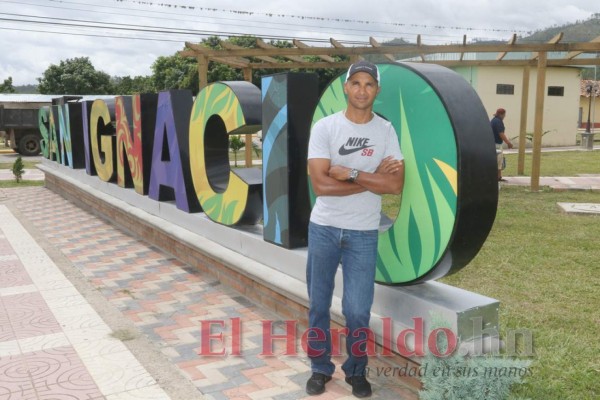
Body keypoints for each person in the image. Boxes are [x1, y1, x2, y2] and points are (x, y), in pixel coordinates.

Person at [305, 60, 405, 398]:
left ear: (377, 90)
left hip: (363, 233)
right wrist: (372, 177)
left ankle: (356, 370)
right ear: (346, 87)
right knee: (319, 304)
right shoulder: (326, 128)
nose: (362, 90)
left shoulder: (385, 131)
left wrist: (348, 172)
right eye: (356, 83)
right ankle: (320, 368)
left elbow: (395, 186)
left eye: (369, 84)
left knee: (358, 310)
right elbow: (320, 185)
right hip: (324, 229)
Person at [490, 108, 513, 182]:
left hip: (493, 143)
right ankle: (498, 177)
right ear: (501, 114)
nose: (505, 116)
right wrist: (508, 142)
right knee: (498, 161)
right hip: (497, 144)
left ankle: (498, 177)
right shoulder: (498, 122)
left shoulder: (494, 120)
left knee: (498, 161)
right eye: (504, 114)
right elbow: (501, 133)